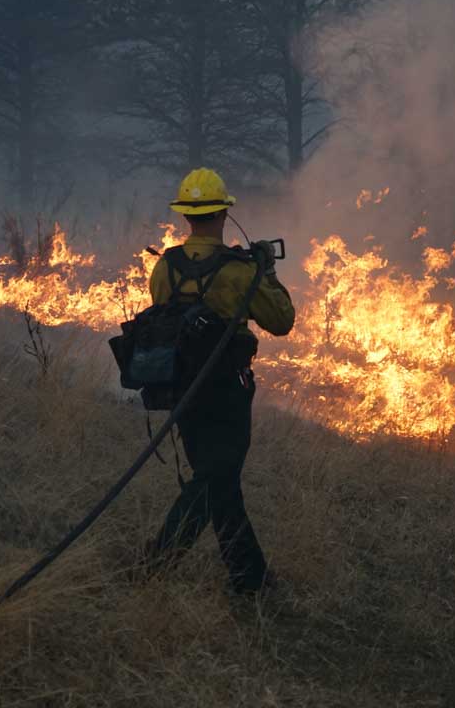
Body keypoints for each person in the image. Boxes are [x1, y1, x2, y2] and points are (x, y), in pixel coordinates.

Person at [144, 167, 295, 595]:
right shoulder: (239, 271)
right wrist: (265, 271)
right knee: (215, 479)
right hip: (226, 391)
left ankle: (250, 578)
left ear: (186, 217)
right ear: (223, 214)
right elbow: (282, 321)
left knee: (217, 477)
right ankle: (158, 561)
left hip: (181, 390)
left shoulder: (165, 268)